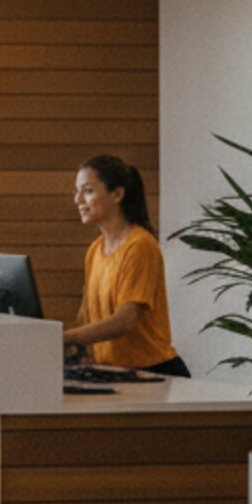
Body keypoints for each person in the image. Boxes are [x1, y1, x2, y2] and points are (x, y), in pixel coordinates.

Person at [63, 154, 188, 376]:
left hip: (155, 372)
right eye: (77, 191)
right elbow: (88, 317)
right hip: (115, 372)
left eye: (88, 191)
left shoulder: (140, 245)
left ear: (117, 194)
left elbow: (125, 321)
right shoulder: (95, 250)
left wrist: (64, 338)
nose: (78, 200)